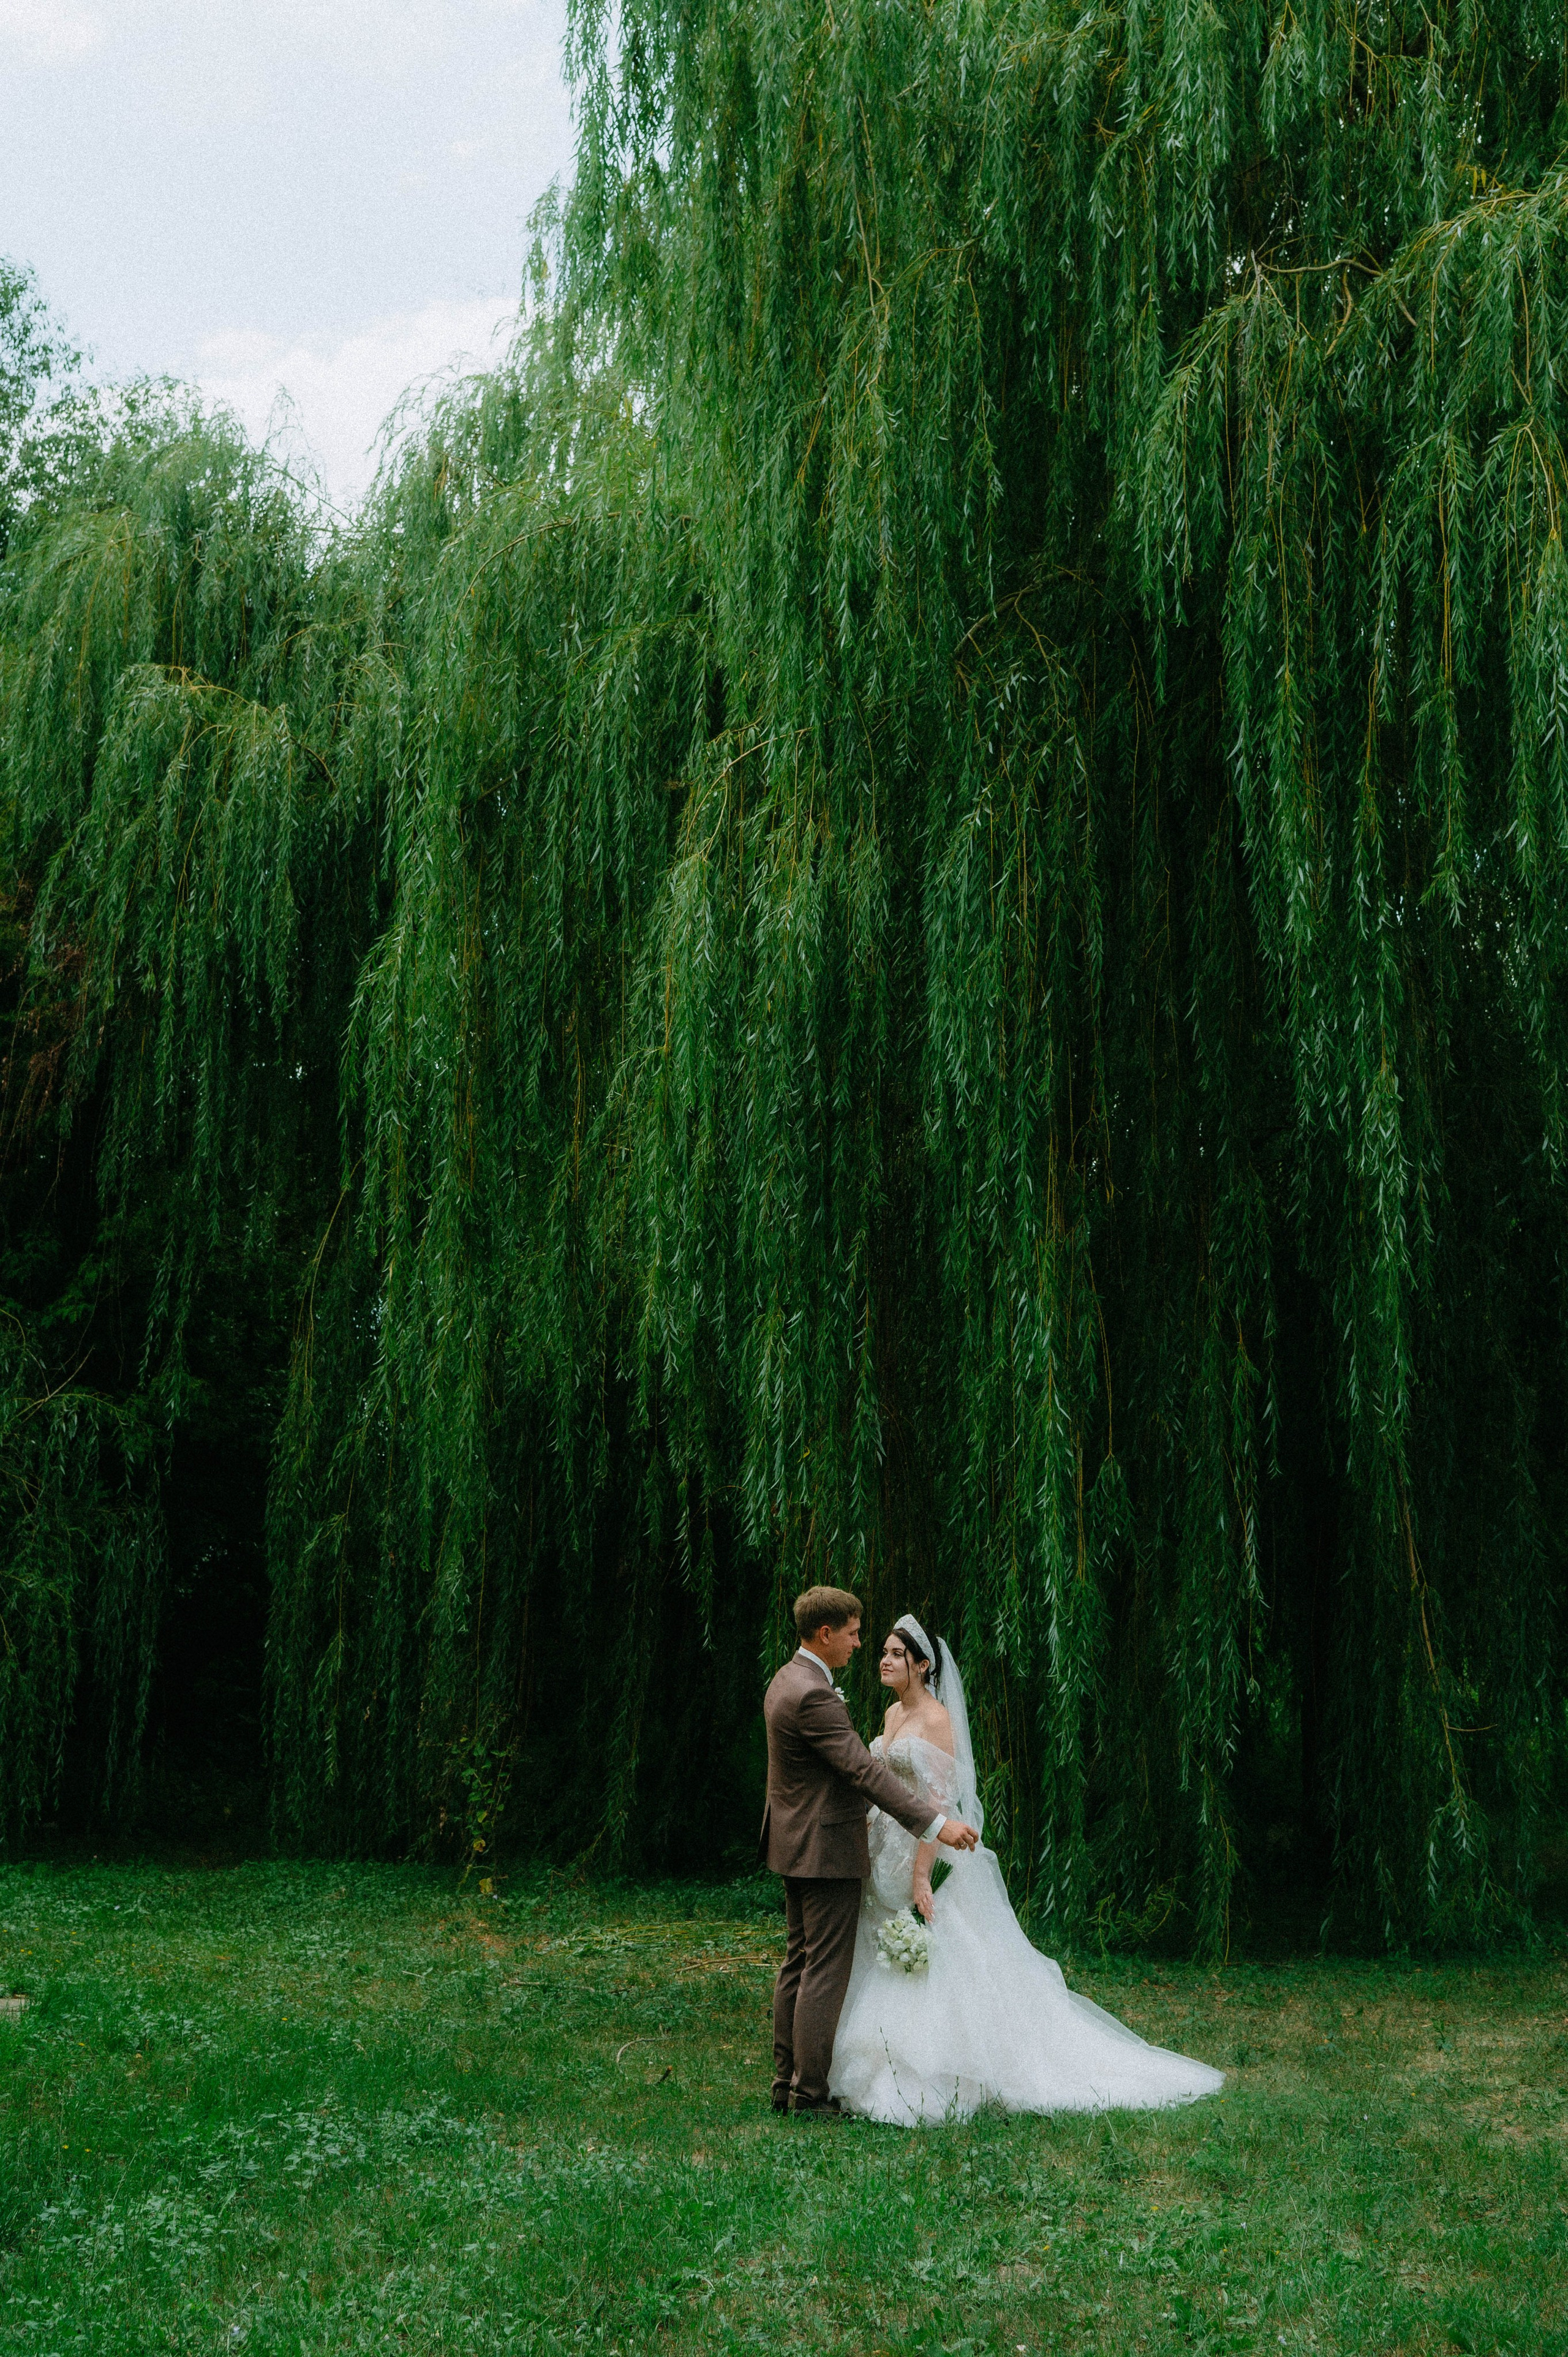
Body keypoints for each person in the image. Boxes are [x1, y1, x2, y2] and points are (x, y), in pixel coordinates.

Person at [828, 1613, 1226, 2125]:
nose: (884, 1660)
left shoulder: (937, 1720)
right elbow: (884, 1785)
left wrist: (922, 1875)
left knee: (935, 1953)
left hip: (923, 1855)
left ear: (923, 1666)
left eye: (897, 1655)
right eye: (882, 1651)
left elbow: (940, 1800)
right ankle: (873, 2060)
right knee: (884, 1949)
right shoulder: (888, 1714)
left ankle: (937, 2072)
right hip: (884, 1849)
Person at [760, 1585, 981, 2114]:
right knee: (823, 1970)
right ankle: (809, 2095)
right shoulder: (815, 1693)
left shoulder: (786, 1679)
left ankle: (785, 2084)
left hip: (794, 1844)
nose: (863, 1647)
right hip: (825, 1848)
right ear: (826, 1633)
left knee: (799, 1961)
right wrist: (936, 1825)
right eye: (857, 1635)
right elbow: (861, 1771)